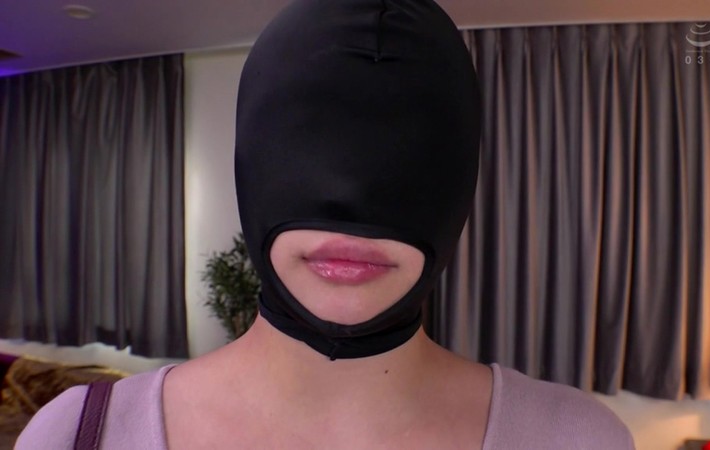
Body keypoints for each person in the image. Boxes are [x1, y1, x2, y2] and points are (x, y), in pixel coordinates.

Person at [16, 0, 635, 448]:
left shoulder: (578, 440)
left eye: (408, 148)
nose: (355, 210)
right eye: (308, 140)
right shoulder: (75, 435)